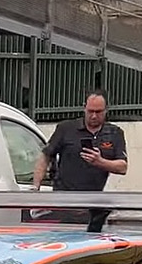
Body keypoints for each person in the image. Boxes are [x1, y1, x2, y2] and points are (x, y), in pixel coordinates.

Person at [30, 90, 129, 230]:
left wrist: (100, 162)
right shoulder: (66, 129)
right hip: (63, 202)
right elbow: (45, 155)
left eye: (99, 112)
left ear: (106, 110)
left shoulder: (114, 133)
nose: (94, 116)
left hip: (93, 203)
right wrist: (35, 188)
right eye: (90, 111)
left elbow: (122, 167)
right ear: (84, 108)